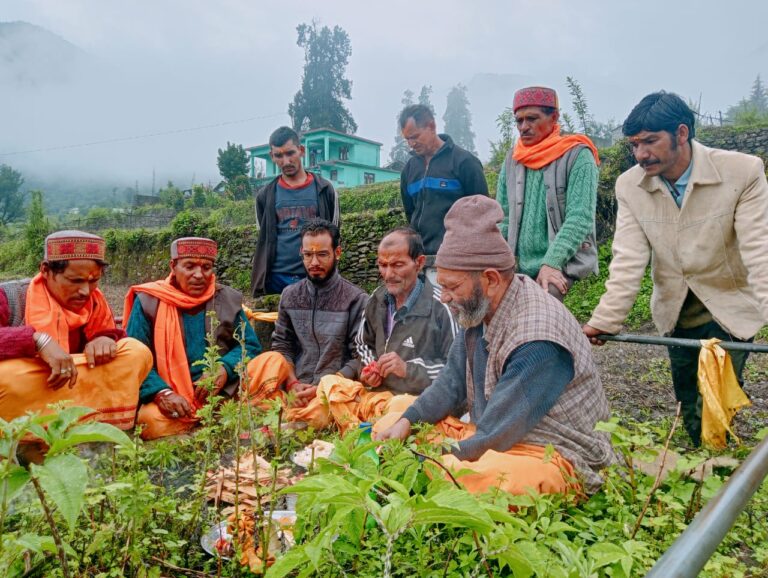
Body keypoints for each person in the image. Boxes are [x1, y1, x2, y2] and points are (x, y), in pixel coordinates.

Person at [376, 196, 616, 495]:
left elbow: (497, 434)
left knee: (468, 477)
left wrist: (425, 461)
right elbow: (451, 383)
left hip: (551, 450)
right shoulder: (478, 309)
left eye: (451, 287)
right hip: (496, 430)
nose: (444, 297)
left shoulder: (538, 337)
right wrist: (408, 421)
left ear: (489, 279)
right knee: (397, 413)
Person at [583, 91, 768, 445]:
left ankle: (718, 470)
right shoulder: (630, 185)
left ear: (681, 134)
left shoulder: (741, 172)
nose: (640, 154)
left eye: (650, 142)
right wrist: (605, 320)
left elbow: (759, 249)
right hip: (677, 309)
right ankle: (702, 460)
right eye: (635, 145)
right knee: (687, 398)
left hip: (730, 303)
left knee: (717, 403)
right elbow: (627, 259)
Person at [125, 237, 277, 440]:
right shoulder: (149, 301)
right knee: (148, 422)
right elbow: (136, 360)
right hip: (175, 399)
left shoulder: (226, 299)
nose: (199, 275)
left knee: (275, 361)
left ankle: (218, 418)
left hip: (224, 393)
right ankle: (220, 421)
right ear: (173, 266)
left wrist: (224, 368)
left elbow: (249, 345)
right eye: (189, 266)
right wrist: (163, 394)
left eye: (206, 267)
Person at [0, 230, 152, 430]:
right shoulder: (10, 296)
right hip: (29, 397)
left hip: (76, 391)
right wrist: (38, 341)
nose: (85, 291)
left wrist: (105, 338)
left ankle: (96, 426)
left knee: (135, 351)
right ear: (46, 271)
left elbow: (110, 333)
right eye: (75, 281)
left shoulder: (96, 303)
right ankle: (25, 438)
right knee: (7, 375)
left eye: (93, 280)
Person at [496, 86, 600, 300]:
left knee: (543, 303)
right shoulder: (513, 159)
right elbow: (502, 217)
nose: (524, 127)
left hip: (566, 263)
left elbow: (579, 218)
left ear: (554, 117)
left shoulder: (577, 155)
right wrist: (499, 264)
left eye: (532, 119)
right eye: (519, 120)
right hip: (519, 266)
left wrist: (551, 262)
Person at [270, 219, 368, 407]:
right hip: (294, 386)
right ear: (301, 253)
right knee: (261, 370)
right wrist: (292, 383)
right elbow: (282, 346)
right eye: (308, 255)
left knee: (318, 414)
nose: (314, 262)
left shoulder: (356, 299)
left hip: (334, 390)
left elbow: (361, 357)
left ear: (337, 253)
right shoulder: (290, 296)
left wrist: (325, 386)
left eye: (322, 254)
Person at [354, 227, 457, 395]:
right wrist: (370, 367)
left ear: (420, 263)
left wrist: (408, 369)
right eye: (383, 265)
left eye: (397, 265)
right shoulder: (377, 298)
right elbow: (362, 344)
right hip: (380, 399)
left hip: (423, 407)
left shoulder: (442, 308)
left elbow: (456, 370)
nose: (388, 274)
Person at [398, 104, 488, 283]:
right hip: (420, 261)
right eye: (407, 139)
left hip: (457, 260)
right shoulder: (409, 169)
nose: (411, 144)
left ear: (431, 126)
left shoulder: (464, 162)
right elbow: (411, 213)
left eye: (415, 137)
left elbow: (482, 213)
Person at [251, 126, 340, 296]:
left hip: (315, 275)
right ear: (272, 156)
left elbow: (333, 235)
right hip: (275, 279)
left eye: (290, 153)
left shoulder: (325, 189)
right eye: (279, 155)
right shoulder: (265, 196)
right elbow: (264, 236)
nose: (285, 161)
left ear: (301, 150)